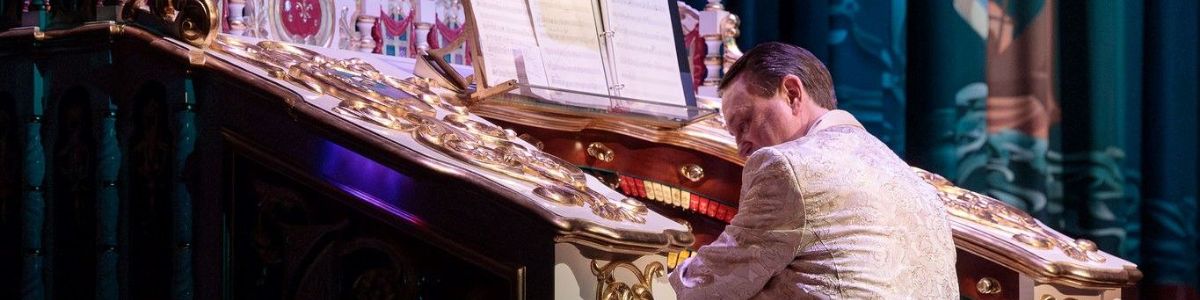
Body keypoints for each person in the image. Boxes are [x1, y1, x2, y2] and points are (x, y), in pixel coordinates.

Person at [668, 42, 959, 299]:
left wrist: (646, 282)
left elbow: (714, 282)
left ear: (793, 93)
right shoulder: (920, 187)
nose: (741, 148)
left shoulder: (786, 166)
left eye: (744, 123)